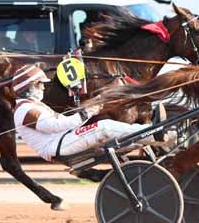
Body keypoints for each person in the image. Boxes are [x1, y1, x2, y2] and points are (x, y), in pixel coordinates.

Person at [12, 64, 167, 163]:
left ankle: (161, 138)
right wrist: (86, 113)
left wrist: (92, 106)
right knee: (103, 127)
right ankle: (154, 133)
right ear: (29, 87)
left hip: (64, 141)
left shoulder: (31, 106)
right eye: (40, 85)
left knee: (118, 139)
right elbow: (55, 125)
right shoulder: (24, 110)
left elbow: (62, 122)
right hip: (58, 147)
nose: (44, 88)